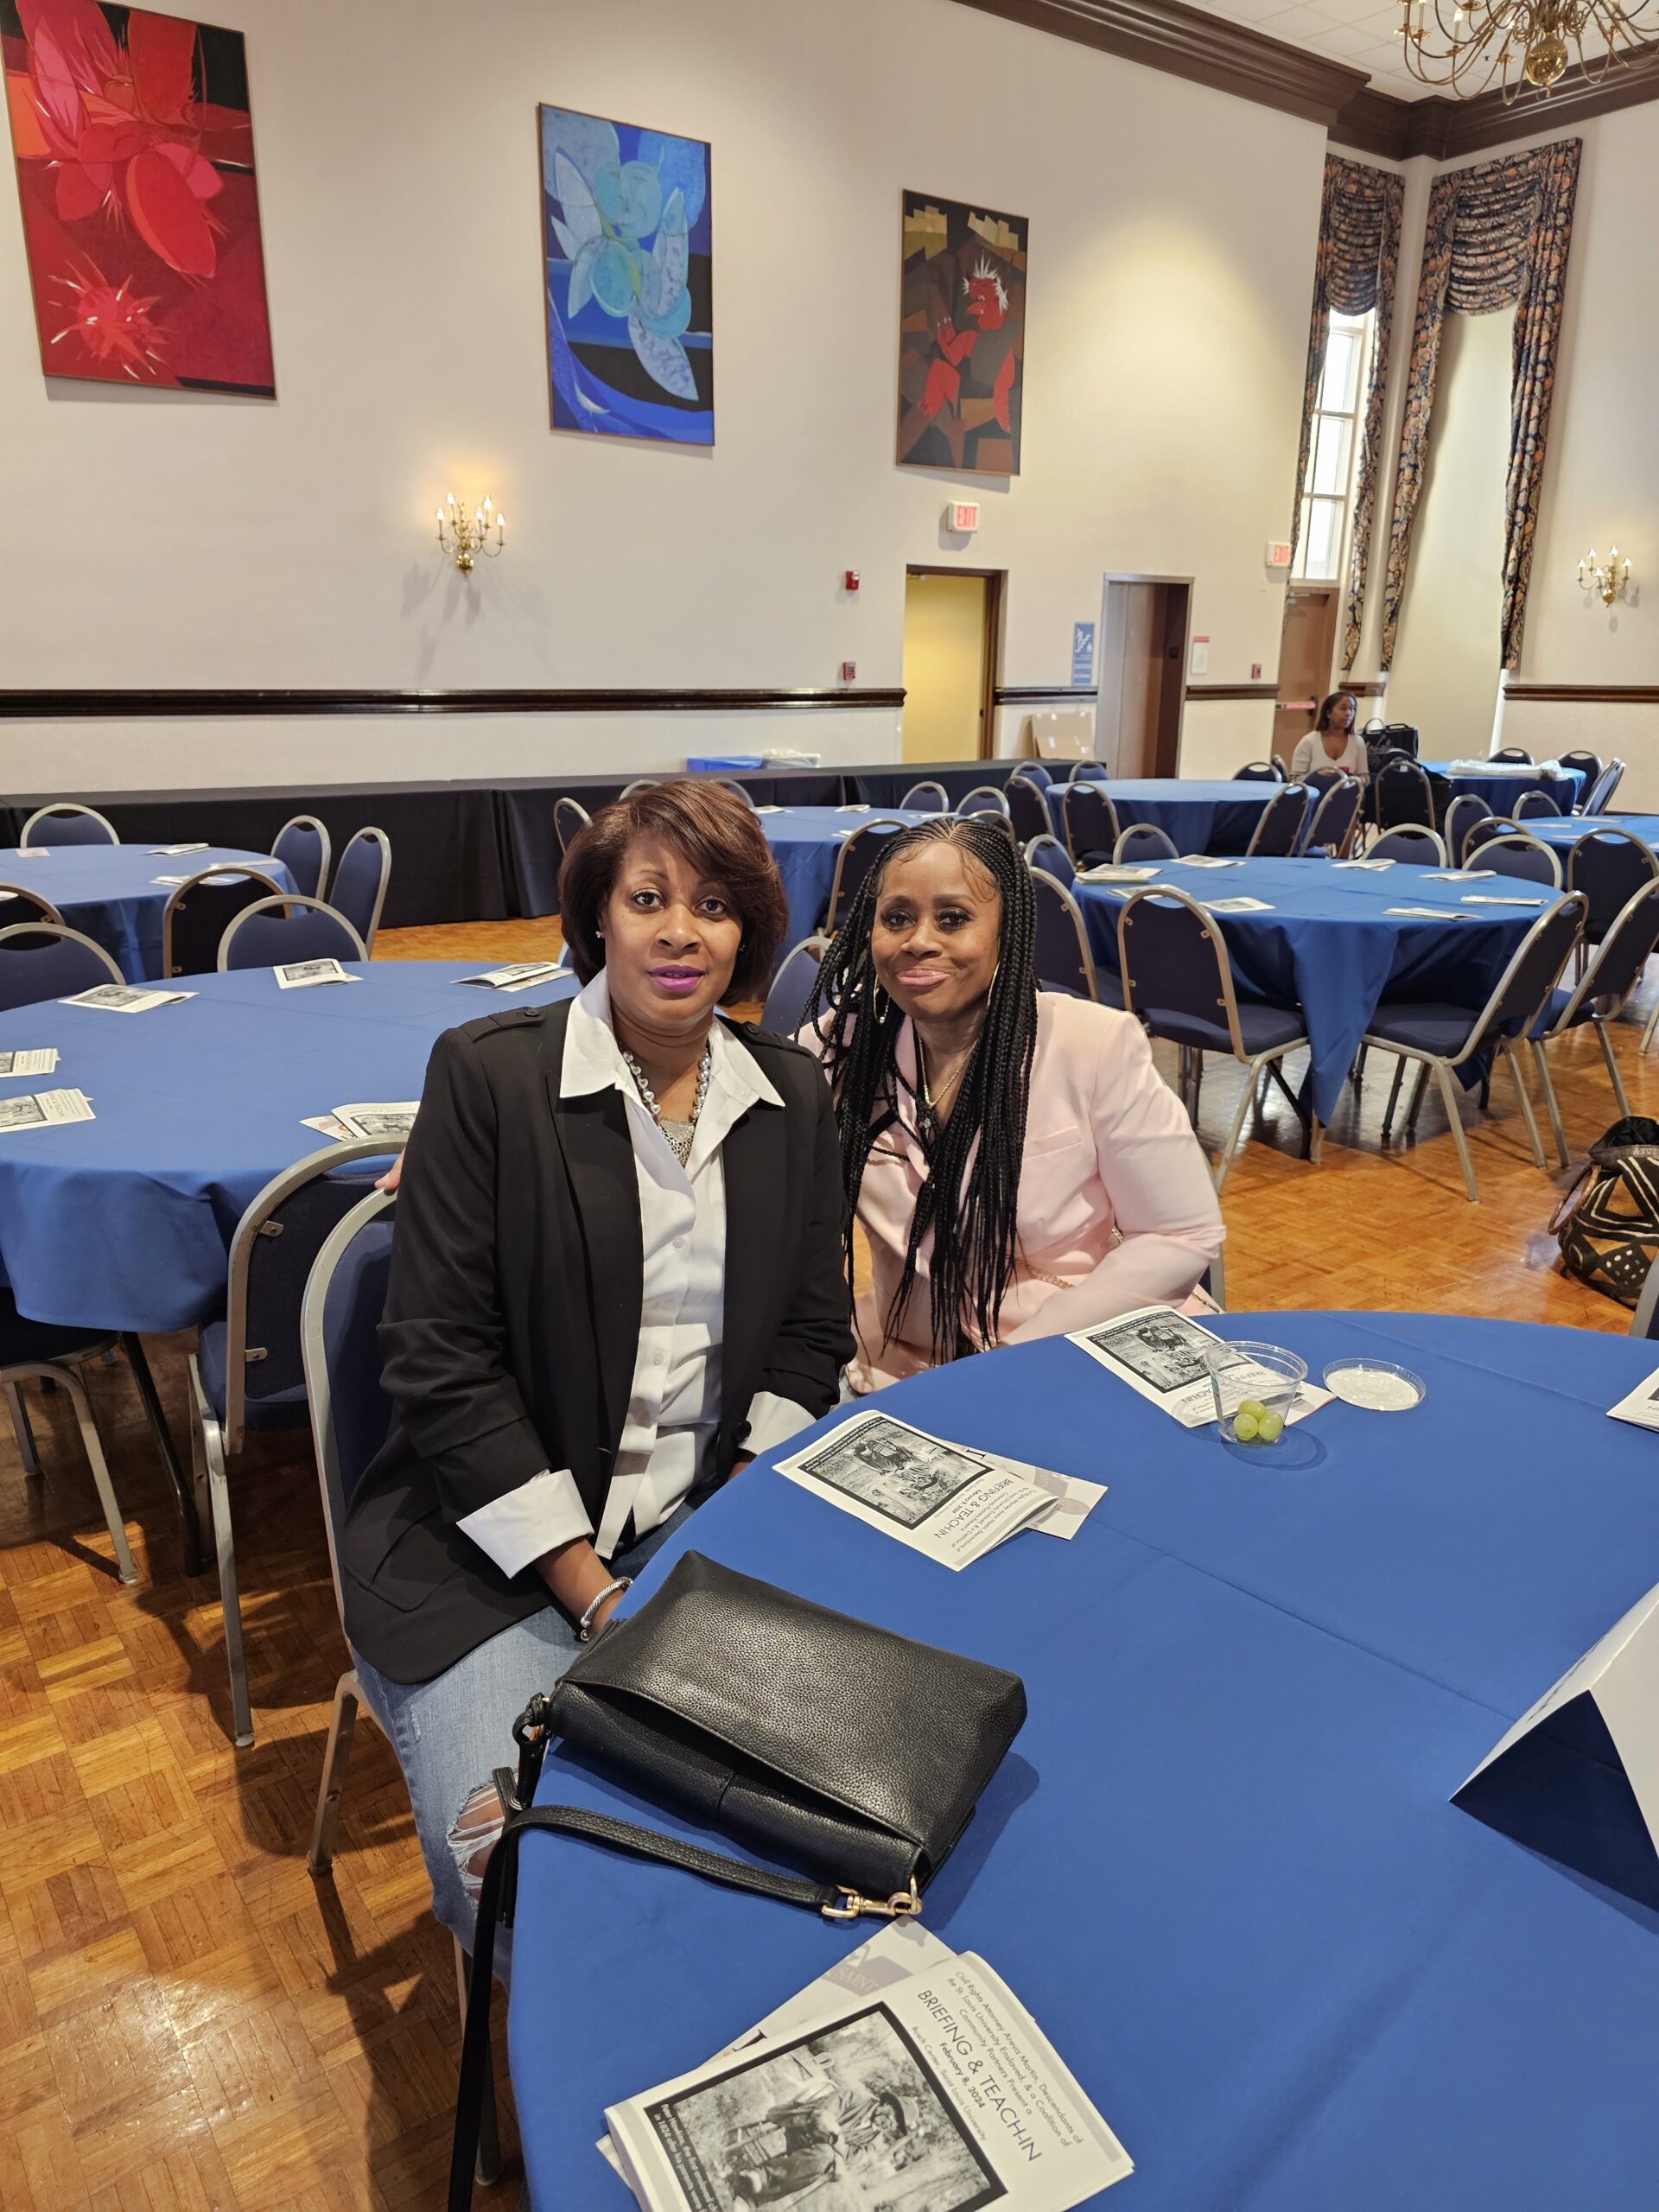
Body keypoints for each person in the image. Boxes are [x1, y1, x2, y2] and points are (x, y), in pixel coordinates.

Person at [340, 782, 854, 1952]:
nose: (681, 931)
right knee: (525, 1884)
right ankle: (526, 2117)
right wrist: (596, 1591)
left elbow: (813, 1335)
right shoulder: (490, 1079)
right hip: (486, 1555)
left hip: (702, 1535)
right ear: (599, 920)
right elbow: (441, 1364)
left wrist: (736, 1514)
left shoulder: (797, 1096)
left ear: (749, 937)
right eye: (649, 898)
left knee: (787, 1840)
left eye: (715, 906)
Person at [798, 816, 1223, 1392]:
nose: (919, 939)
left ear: (1006, 936)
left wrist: (1015, 1362)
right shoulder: (833, 1054)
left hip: (1073, 1349)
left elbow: (1180, 1234)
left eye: (954, 918)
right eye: (897, 917)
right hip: (909, 1358)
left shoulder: (1092, 1045)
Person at [1289, 690, 1367, 783]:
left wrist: (1357, 780)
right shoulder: (1309, 741)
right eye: (1343, 709)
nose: (1348, 713)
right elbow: (1294, 779)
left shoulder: (1358, 742)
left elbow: (1365, 777)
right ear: (1328, 713)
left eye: (1352, 709)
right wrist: (1317, 777)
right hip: (1316, 795)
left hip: (1347, 794)